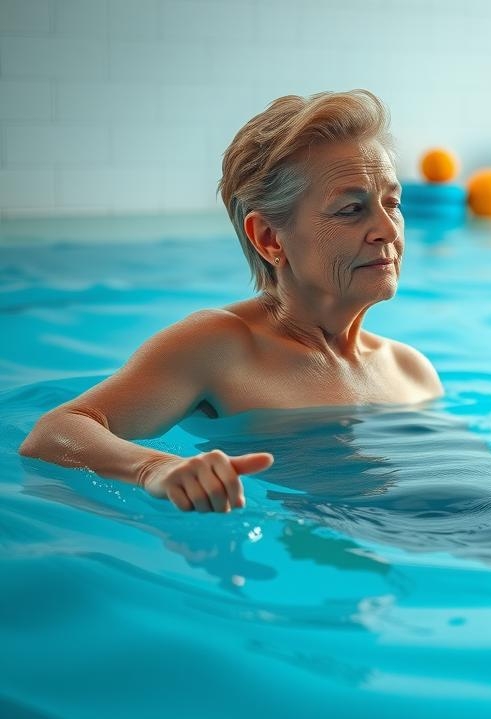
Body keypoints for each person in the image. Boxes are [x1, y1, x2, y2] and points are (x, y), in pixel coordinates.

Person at [19, 90, 443, 513]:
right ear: (270, 239)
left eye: (393, 203)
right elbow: (55, 431)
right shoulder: (221, 348)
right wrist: (153, 467)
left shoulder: (412, 372)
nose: (388, 230)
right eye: (351, 209)